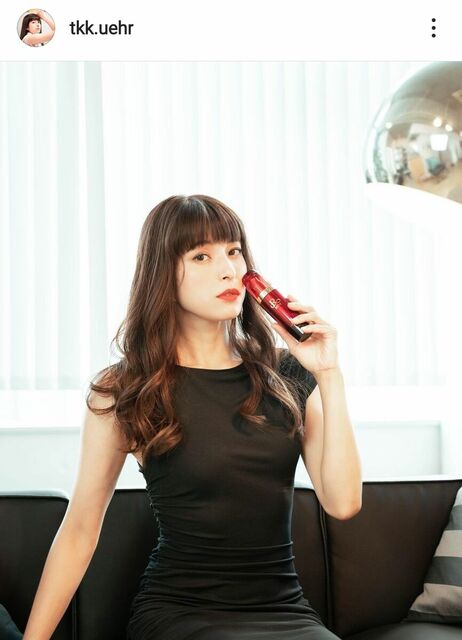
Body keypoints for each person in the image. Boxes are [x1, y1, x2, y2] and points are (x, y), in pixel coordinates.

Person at [17, 194, 362, 639]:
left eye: (234, 251)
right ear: (163, 272)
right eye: (202, 256)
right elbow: (80, 529)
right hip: (180, 614)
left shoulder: (289, 373)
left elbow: (343, 503)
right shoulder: (125, 389)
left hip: (284, 612)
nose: (229, 270)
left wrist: (329, 374)